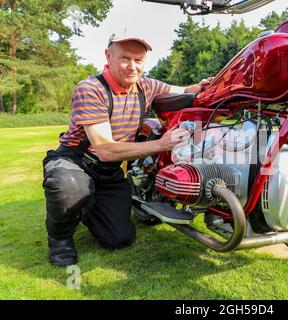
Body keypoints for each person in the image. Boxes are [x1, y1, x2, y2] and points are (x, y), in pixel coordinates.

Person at [42, 30, 213, 267]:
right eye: (124, 58)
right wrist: (161, 144)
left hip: (108, 171)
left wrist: (203, 86)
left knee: (119, 238)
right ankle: (59, 239)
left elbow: (184, 90)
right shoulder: (91, 89)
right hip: (76, 161)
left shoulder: (146, 86)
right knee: (69, 186)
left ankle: (86, 203)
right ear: (108, 56)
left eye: (138, 60)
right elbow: (104, 149)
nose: (132, 66)